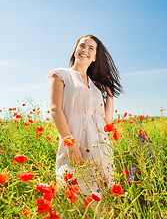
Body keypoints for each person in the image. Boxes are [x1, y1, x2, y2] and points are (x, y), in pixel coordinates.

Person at [47, 35, 123, 194]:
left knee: (98, 194)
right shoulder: (61, 74)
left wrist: (109, 94)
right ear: (75, 49)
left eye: (91, 48)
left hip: (99, 144)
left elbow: (105, 121)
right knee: (75, 190)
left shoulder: (95, 86)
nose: (85, 50)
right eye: (82, 46)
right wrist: (71, 144)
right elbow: (55, 109)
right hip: (76, 141)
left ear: (95, 57)